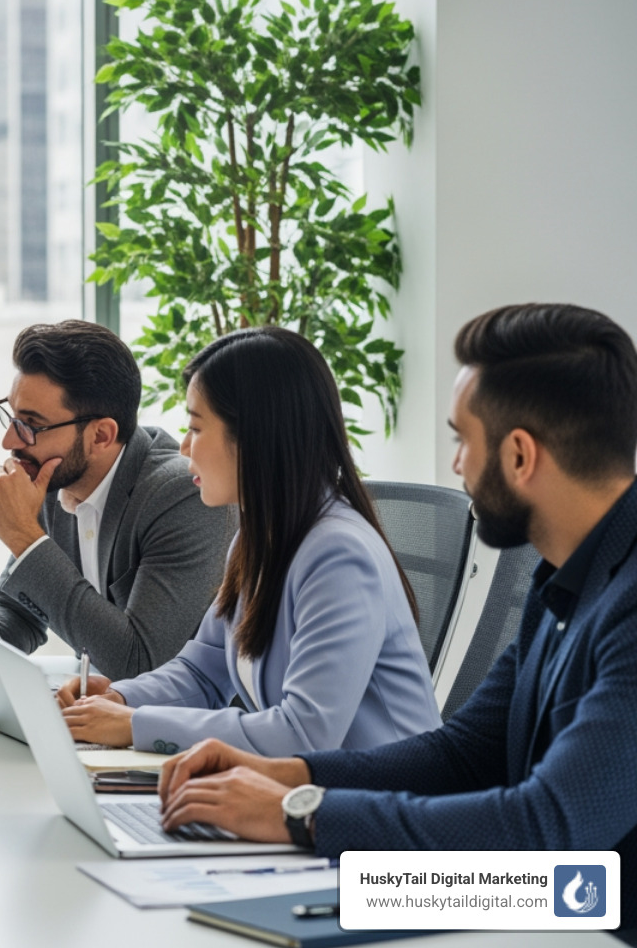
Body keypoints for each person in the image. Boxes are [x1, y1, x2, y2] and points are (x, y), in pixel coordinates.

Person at [152, 304, 637, 935]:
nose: (457, 465)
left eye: (463, 440)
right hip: (539, 900)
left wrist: (302, 813)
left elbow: (544, 830)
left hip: (579, 914)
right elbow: (463, 755)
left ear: (520, 456)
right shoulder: (562, 578)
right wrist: (287, 774)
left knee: (278, 918)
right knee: (229, 915)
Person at [55, 327, 440, 755]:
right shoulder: (257, 539)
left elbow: (304, 733)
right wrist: (119, 700)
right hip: (302, 796)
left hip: (378, 806)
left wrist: (134, 724)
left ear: (254, 437)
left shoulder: (339, 555)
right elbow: (203, 671)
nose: (184, 448)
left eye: (196, 428)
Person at [0, 320, 232, 682]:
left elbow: (139, 664)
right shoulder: (55, 481)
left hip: (190, 731)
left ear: (101, 435)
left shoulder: (182, 495)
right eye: (11, 417)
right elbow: (19, 609)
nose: (9, 441)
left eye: (31, 425)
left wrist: (25, 538)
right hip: (104, 720)